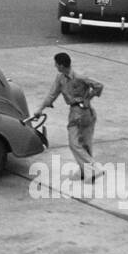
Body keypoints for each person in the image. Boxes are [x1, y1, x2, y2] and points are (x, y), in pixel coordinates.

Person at [37, 52, 105, 181]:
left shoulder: (80, 76)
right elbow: (52, 95)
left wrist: (89, 97)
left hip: (85, 112)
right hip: (75, 112)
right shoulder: (60, 78)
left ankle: (92, 168)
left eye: (56, 64)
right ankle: (87, 172)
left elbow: (99, 86)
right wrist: (40, 109)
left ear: (61, 65)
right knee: (80, 144)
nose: (55, 66)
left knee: (78, 144)